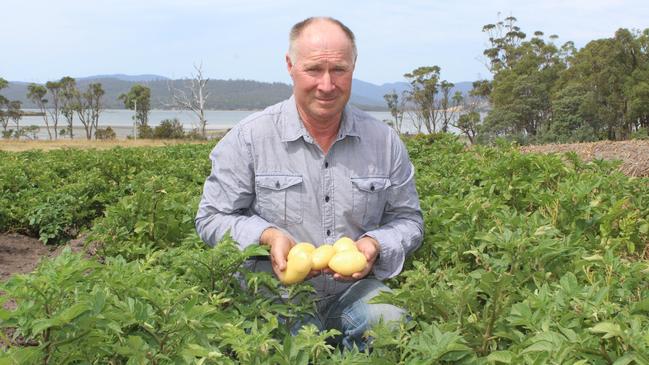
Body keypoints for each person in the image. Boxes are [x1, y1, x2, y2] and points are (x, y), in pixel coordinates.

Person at [195, 16, 423, 350]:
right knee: (277, 342)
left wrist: (375, 244)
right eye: (314, 69)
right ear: (290, 65)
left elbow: (409, 220)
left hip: (355, 291)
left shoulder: (384, 141)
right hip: (278, 293)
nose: (327, 85)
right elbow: (211, 217)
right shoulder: (250, 138)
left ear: (353, 67)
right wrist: (266, 236)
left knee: (391, 322)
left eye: (339, 70)